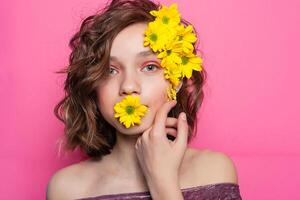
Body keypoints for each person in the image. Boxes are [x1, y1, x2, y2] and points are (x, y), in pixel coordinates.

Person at [47, 0, 242, 199]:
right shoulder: (67, 189)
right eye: (110, 71)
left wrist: (162, 181)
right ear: (93, 86)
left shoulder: (215, 171)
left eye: (149, 67)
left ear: (175, 81)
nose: (128, 86)